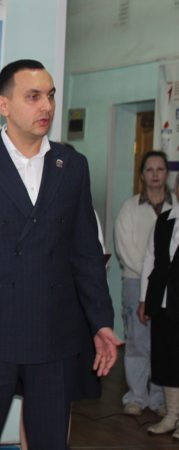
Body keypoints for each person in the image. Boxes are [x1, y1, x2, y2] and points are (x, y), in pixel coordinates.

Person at [0, 59, 121, 449]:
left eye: (50, 95)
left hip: (54, 335)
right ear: (3, 105)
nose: (46, 106)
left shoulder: (72, 166)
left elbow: (86, 253)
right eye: (33, 96)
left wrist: (101, 322)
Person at [114, 150, 173, 416]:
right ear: (142, 175)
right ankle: (136, 397)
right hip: (135, 281)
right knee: (137, 342)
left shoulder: (175, 207)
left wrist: (162, 278)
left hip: (169, 287)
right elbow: (125, 249)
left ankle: (160, 399)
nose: (155, 174)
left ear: (166, 173)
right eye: (149, 169)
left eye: (160, 169)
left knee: (163, 343)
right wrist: (152, 276)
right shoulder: (130, 207)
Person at [140, 172, 179, 438]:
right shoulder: (165, 219)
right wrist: (145, 298)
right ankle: (172, 415)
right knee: (166, 361)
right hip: (163, 301)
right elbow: (150, 259)